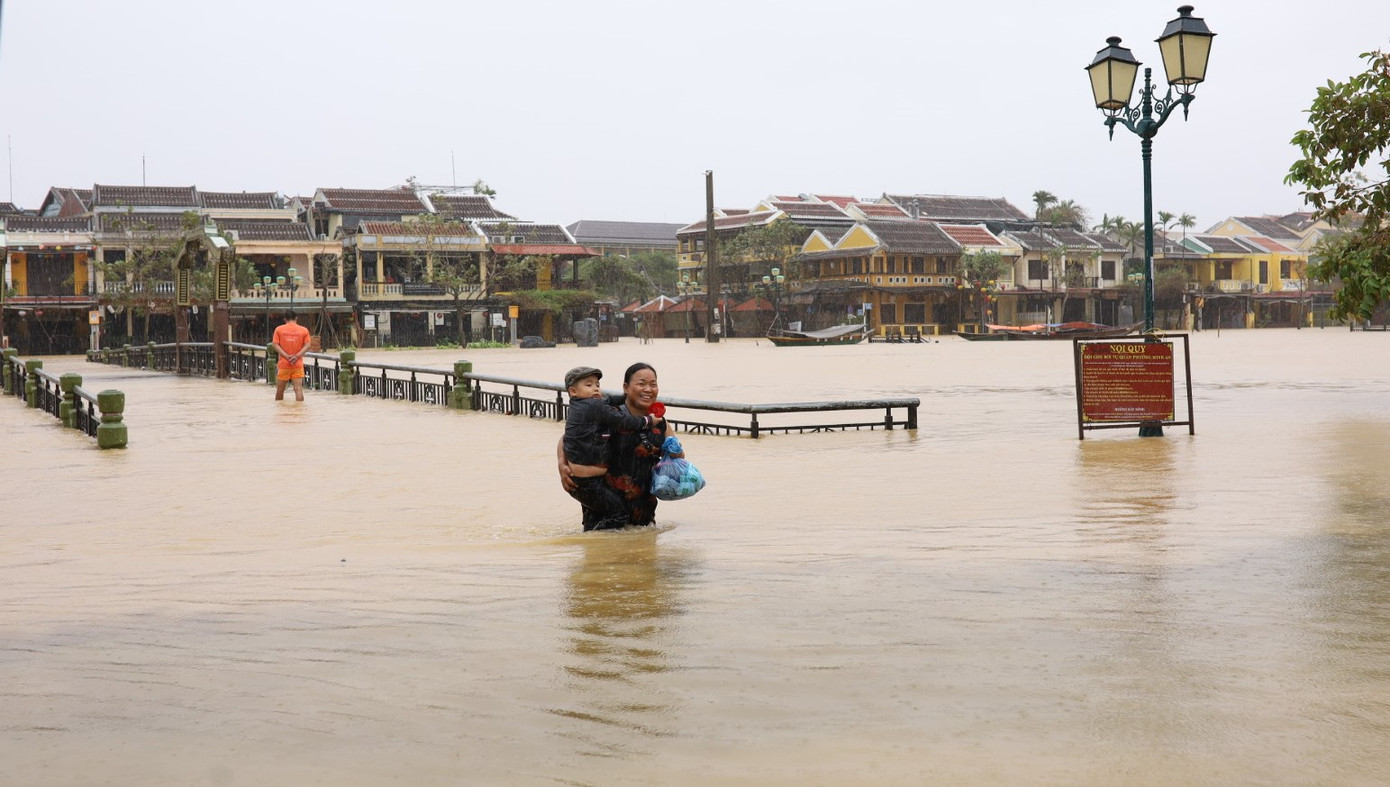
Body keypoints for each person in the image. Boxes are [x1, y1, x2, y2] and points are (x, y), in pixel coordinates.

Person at [558, 362, 684, 530]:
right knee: (602, 550)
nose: (648, 389)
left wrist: (676, 452)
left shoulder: (660, 424)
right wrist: (562, 464)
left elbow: (678, 459)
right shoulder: (608, 413)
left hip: (643, 517)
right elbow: (567, 439)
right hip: (604, 512)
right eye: (641, 383)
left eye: (653, 384)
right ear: (626, 387)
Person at [272, 310, 312, 402]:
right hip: (297, 364)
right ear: (296, 318)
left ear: (285, 319)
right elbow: (308, 345)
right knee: (298, 389)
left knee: (280, 390)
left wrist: (286, 356)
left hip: (284, 364)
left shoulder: (279, 329)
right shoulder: (304, 330)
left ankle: (279, 410)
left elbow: (275, 344)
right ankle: (300, 410)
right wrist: (297, 356)